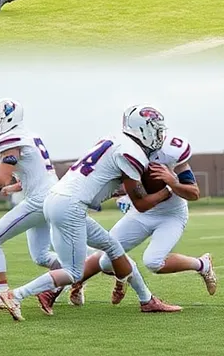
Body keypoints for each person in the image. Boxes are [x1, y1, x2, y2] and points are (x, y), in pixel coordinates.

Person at [0, 105, 179, 320]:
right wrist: (169, 189)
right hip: (69, 205)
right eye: (155, 129)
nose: (159, 134)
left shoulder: (113, 139)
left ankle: (147, 300)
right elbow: (142, 204)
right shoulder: (132, 152)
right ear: (144, 129)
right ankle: (15, 295)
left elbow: (106, 180)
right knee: (73, 272)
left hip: (60, 199)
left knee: (112, 246)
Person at [72, 131, 216, 306]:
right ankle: (121, 278)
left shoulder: (170, 152)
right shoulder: (124, 151)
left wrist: (172, 182)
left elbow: (194, 193)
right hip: (141, 213)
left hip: (171, 215)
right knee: (106, 262)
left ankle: (202, 264)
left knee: (153, 261)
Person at [0, 99, 63, 306]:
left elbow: (0, 178)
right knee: (42, 256)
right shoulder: (31, 136)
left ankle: (3, 295)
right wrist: (12, 187)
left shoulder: (11, 139)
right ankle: (72, 277)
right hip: (54, 197)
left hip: (38, 201)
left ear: (9, 118)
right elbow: (34, 176)